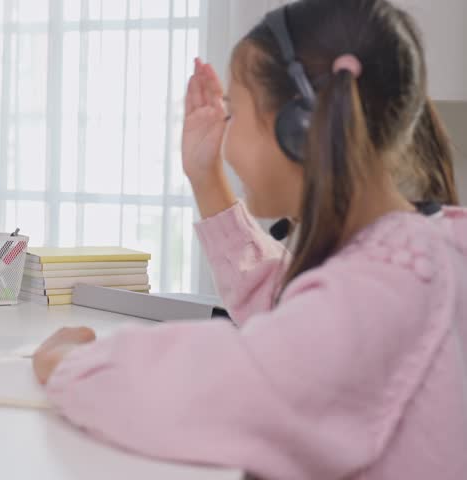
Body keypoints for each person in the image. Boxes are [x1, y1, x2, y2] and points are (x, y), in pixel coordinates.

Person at [31, 0, 467, 478]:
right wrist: (205, 177)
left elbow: (218, 390)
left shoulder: (390, 286)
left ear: (299, 128)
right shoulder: (418, 249)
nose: (226, 137)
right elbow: (292, 309)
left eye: (233, 113)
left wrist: (68, 362)